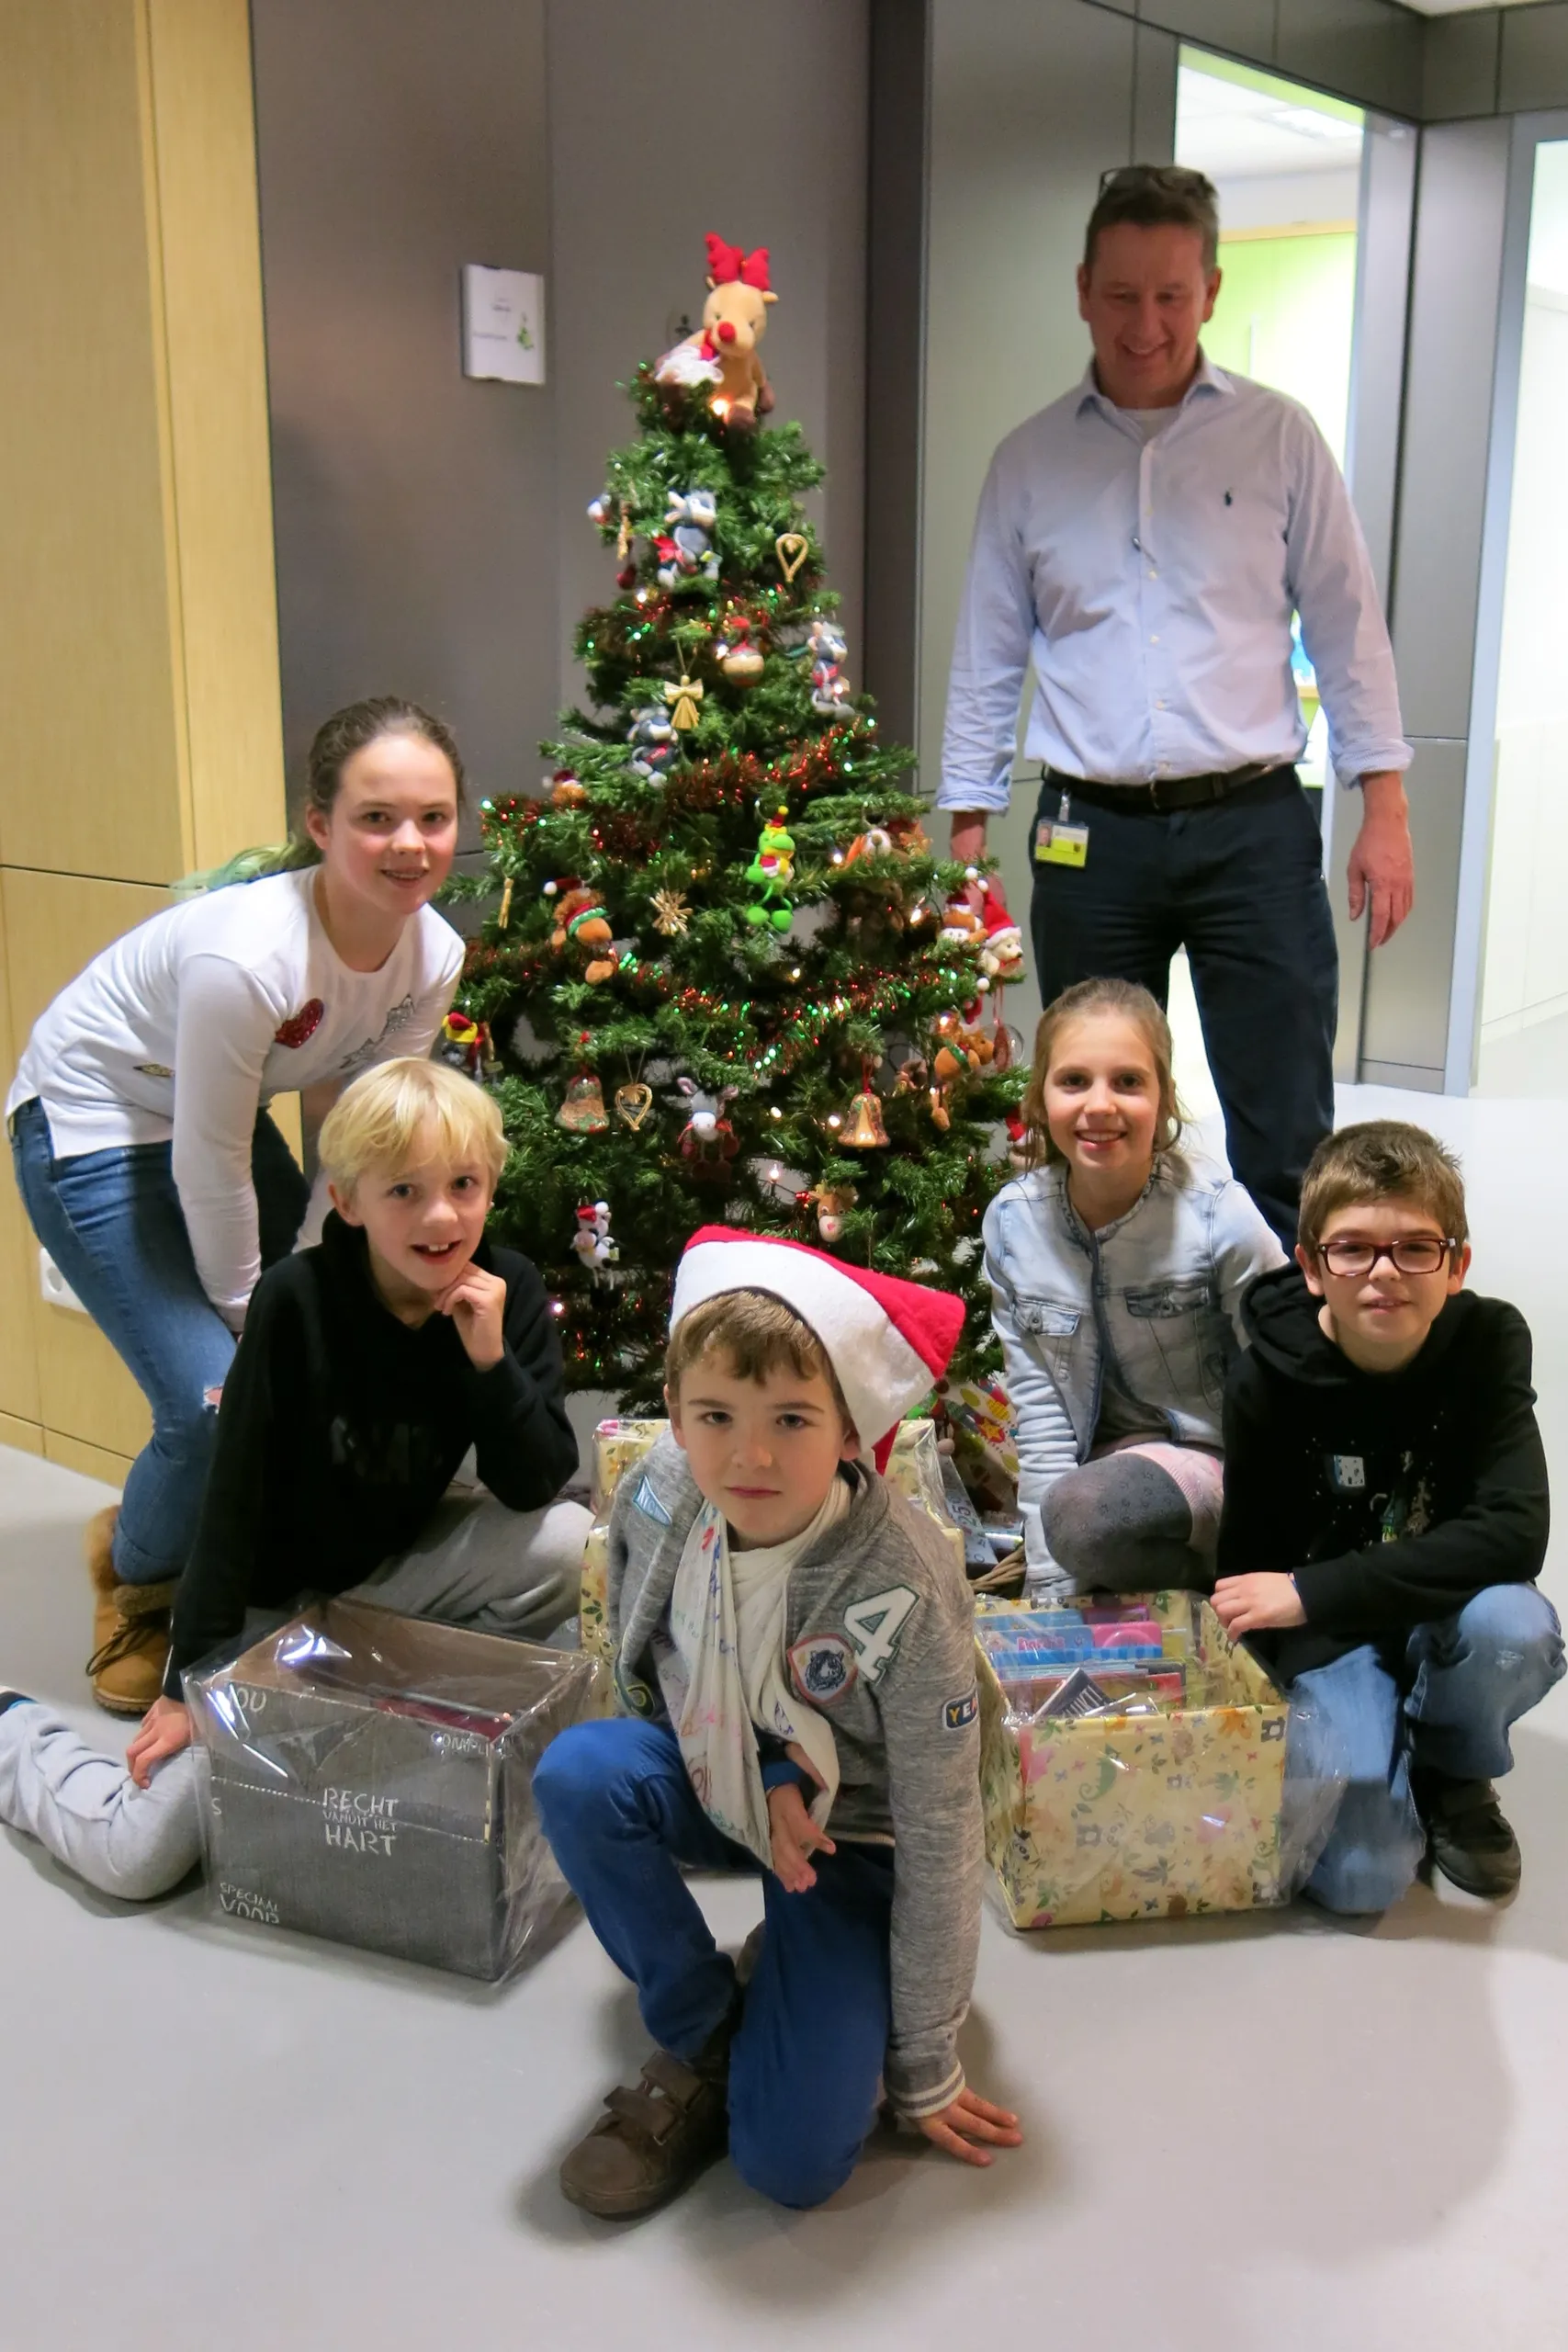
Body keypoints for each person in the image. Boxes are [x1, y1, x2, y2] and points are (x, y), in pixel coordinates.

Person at [940, 163, 1414, 1248]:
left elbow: (1348, 627)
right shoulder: (1029, 461)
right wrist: (966, 833)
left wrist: (1382, 806)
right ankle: (1112, 1355)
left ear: (1207, 288)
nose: (1143, 323)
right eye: (1120, 295)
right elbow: (987, 655)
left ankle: (1293, 1364)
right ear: (1081, 289)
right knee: (1097, 1123)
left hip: (1254, 822)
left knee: (1286, 1121)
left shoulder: (1279, 438)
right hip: (1086, 839)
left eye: (1167, 294)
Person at [0, 1057, 588, 1904]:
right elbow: (229, 1499)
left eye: (464, 1184)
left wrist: (489, 1361)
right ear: (346, 1202)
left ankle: (361, 1716)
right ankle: (15, 1734)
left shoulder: (507, 1288)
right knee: (140, 1856)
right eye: (403, 1192)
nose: (441, 1215)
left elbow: (534, 1484)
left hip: (381, 1586)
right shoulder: (297, 1300)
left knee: (565, 1544)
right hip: (270, 1611)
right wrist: (184, 1687)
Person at [534, 1228, 1022, 2217]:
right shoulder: (666, 1493)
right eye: (714, 1414)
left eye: (792, 1419)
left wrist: (926, 2055)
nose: (748, 1455)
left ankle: (797, 1991)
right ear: (674, 1412)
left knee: (792, 2166)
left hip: (857, 1836)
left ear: (851, 1429)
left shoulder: (903, 1576)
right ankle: (705, 2031)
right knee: (582, 1774)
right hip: (721, 1772)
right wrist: (758, 1762)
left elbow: (940, 1823)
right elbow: (661, 1651)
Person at [6, 696, 468, 1713]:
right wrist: (252, 1313)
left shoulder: (432, 954)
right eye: (377, 818)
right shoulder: (248, 954)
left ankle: (243, 1563)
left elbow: (362, 1140)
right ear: (320, 825)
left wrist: (315, 1275)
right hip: (93, 1118)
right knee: (213, 1404)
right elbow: (209, 1157)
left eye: (433, 818)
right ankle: (133, 1576)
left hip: (210, 1115)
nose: (410, 844)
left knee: (310, 1334)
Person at [1212, 1120, 1563, 1911]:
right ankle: (1385, 1733)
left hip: (1431, 1606)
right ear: (1309, 1266)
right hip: (1332, 1636)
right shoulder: (1263, 1380)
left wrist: (1314, 1587)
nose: (1384, 1273)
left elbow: (1515, 1533)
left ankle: (1450, 1766)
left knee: (1515, 1630)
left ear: (1455, 1263)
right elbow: (1250, 1580)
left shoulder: (1488, 1343)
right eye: (1351, 1248)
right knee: (1361, 1879)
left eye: (1414, 1247)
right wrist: (1315, 1707)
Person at [985, 977, 1282, 1596]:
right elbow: (1038, 1415)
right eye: (1073, 1081)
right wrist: (1048, 1586)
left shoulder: (1219, 1217)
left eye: (1127, 1081)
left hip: (1218, 1475)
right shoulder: (1012, 1224)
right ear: (1038, 1099)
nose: (1099, 1105)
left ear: (1164, 1097)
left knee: (1086, 1518)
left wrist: (1274, 1562)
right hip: (1097, 1486)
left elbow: (1286, 1387)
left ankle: (1212, 1593)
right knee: (1081, 1524)